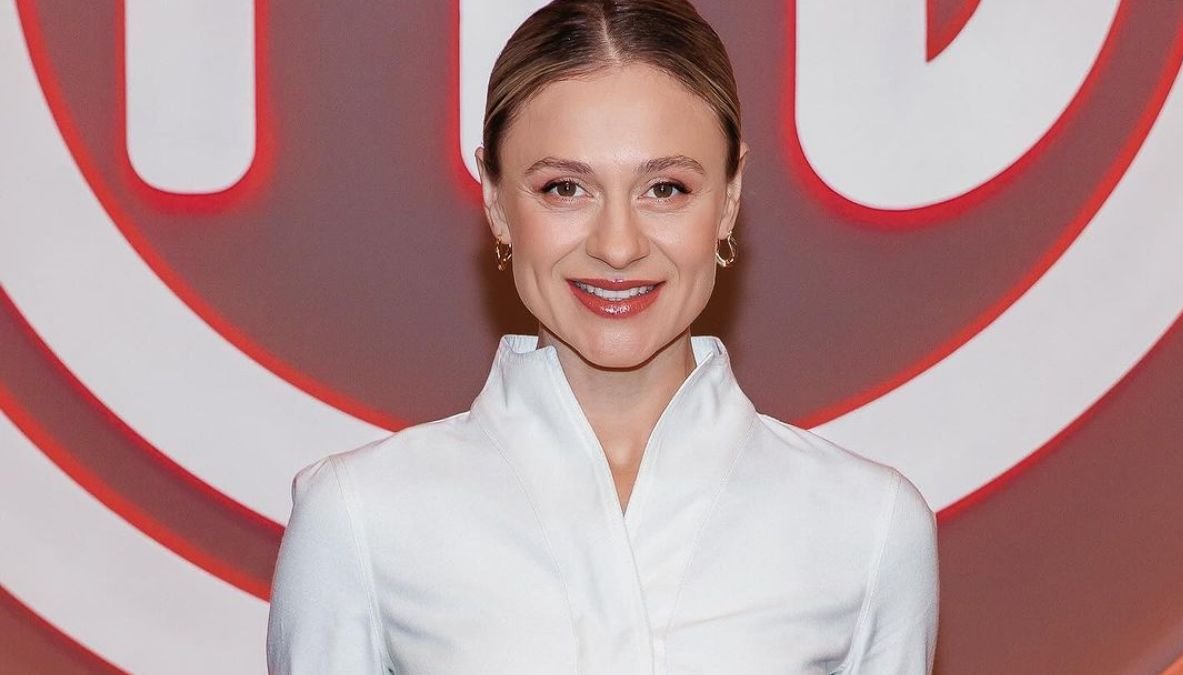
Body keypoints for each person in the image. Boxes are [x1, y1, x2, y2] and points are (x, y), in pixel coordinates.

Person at [265, 0, 939, 672]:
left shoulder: (868, 526)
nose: (617, 246)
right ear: (496, 201)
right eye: (565, 188)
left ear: (730, 199)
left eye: (666, 189)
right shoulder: (360, 517)